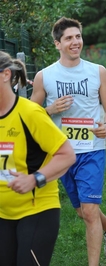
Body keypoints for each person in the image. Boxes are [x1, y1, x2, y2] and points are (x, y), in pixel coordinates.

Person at [30, 17, 106, 265]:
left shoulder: (98, 71)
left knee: (90, 211)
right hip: (62, 153)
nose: (75, 42)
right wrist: (49, 110)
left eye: (78, 37)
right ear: (57, 44)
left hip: (92, 150)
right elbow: (28, 115)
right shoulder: (44, 76)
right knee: (83, 211)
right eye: (69, 38)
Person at [0, 51, 76, 265]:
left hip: (37, 209)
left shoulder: (30, 113)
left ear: (6, 74)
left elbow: (67, 155)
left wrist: (34, 179)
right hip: (3, 212)